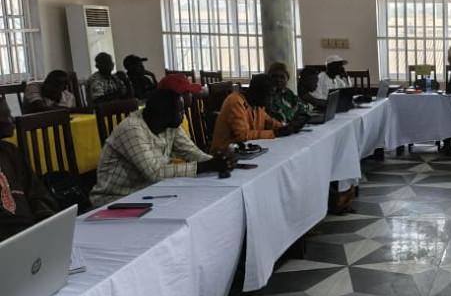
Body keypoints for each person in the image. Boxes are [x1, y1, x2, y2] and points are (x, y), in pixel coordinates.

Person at [90, 89, 234, 206]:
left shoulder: (170, 126)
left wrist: (219, 162)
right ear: (164, 114)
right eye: (180, 111)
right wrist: (207, 165)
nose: (184, 115)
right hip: (115, 200)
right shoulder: (132, 129)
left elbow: (191, 152)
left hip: (149, 193)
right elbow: (156, 173)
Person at [0, 99, 58, 241]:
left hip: (31, 234)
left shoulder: (10, 152)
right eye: (6, 116)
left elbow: (36, 192)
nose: (12, 120)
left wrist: (46, 222)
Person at [210, 74, 302, 154]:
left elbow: (270, 122)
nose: (270, 100)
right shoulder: (235, 101)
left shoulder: (257, 104)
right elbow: (243, 135)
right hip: (224, 154)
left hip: (247, 150)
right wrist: (275, 133)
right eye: (269, 96)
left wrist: (287, 128)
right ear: (257, 93)